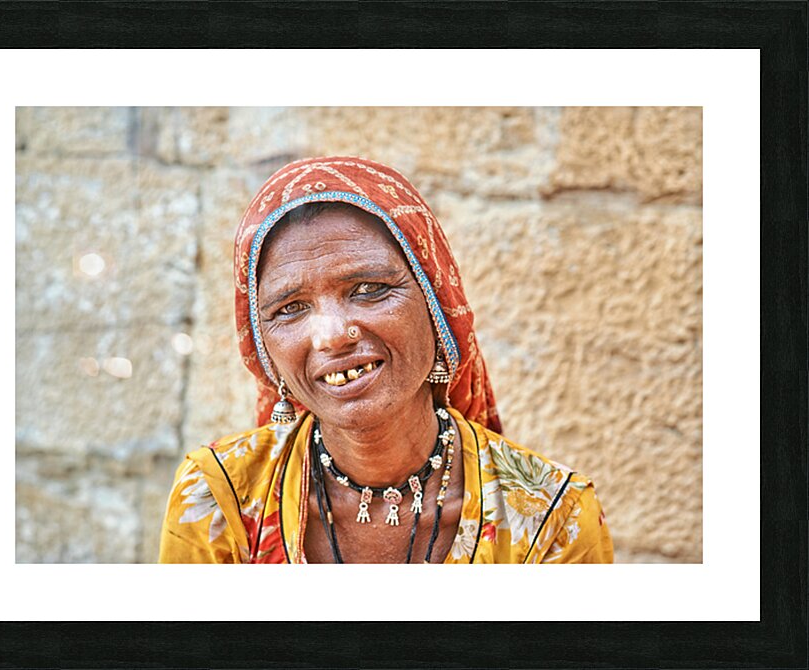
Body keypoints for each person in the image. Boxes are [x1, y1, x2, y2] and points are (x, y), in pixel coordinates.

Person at [159, 156, 613, 564]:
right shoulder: (219, 499)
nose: (333, 335)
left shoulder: (552, 517)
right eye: (290, 308)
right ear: (265, 350)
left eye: (370, 289)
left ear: (437, 306)